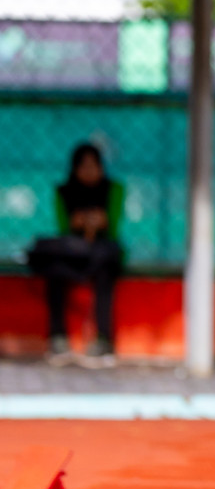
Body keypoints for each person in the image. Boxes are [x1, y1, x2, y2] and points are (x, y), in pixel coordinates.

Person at [27, 142, 124, 367]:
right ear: (75, 169)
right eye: (84, 166)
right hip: (72, 253)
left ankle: (103, 339)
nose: (89, 172)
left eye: (94, 166)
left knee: (105, 272)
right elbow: (63, 228)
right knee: (54, 272)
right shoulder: (64, 191)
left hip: (102, 253)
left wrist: (98, 223)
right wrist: (79, 224)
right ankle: (58, 338)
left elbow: (114, 227)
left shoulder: (114, 189)